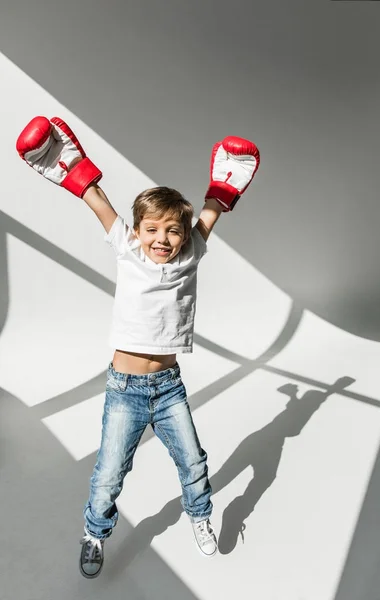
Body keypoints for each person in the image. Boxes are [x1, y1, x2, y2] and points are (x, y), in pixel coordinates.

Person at [16, 116, 260, 578]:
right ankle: (94, 532)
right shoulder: (127, 248)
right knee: (109, 473)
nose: (162, 239)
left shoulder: (192, 251)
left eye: (172, 231)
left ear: (183, 235)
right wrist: (71, 166)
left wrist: (225, 187)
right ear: (138, 229)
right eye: (151, 229)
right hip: (125, 388)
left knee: (193, 460)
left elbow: (211, 210)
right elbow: (98, 203)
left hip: (169, 388)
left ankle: (201, 516)